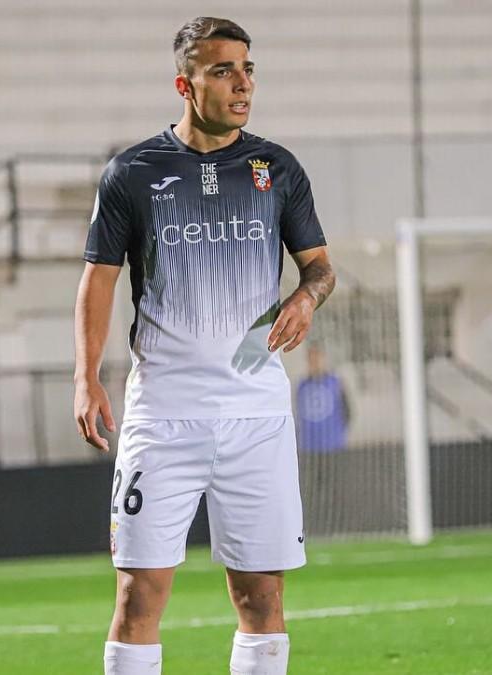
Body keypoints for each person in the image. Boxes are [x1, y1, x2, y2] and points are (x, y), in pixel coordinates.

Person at [73, 17, 335, 675]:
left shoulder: (278, 168)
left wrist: (306, 296)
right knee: (138, 596)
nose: (242, 84)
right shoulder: (132, 173)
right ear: (184, 84)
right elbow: (97, 280)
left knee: (262, 596)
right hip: (164, 414)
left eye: (248, 69)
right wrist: (86, 374)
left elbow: (321, 267)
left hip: (257, 412)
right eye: (223, 71)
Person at [295, 342, 350, 454]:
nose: (315, 362)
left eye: (317, 357)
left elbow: (347, 412)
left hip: (333, 446)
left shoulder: (335, 382)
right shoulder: (302, 385)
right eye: (311, 358)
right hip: (308, 447)